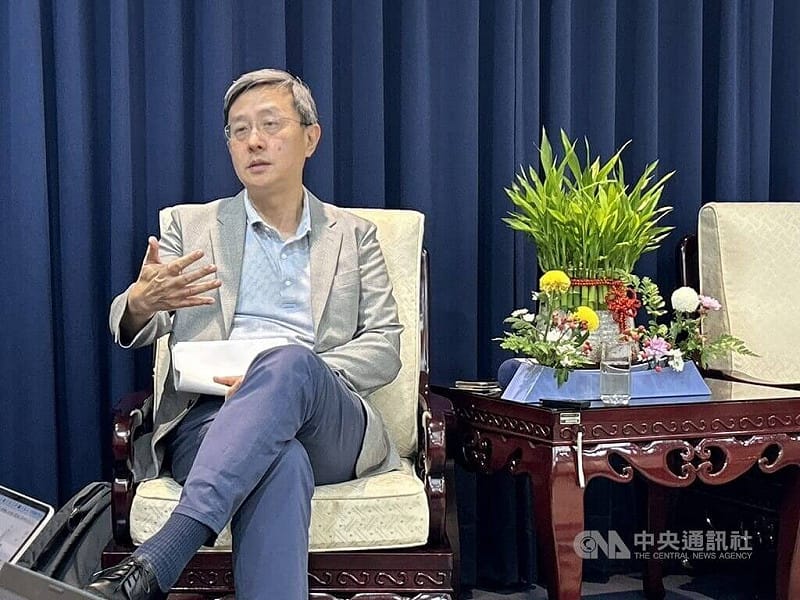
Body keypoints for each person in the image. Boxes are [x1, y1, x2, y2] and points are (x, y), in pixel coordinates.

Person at [87, 68, 402, 600]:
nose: (253, 140)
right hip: (210, 420)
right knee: (281, 462)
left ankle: (164, 553)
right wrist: (141, 303)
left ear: (311, 137)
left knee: (288, 362)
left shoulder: (354, 235)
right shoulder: (191, 226)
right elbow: (136, 322)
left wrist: (287, 377)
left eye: (270, 124)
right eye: (239, 130)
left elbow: (385, 345)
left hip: (329, 419)